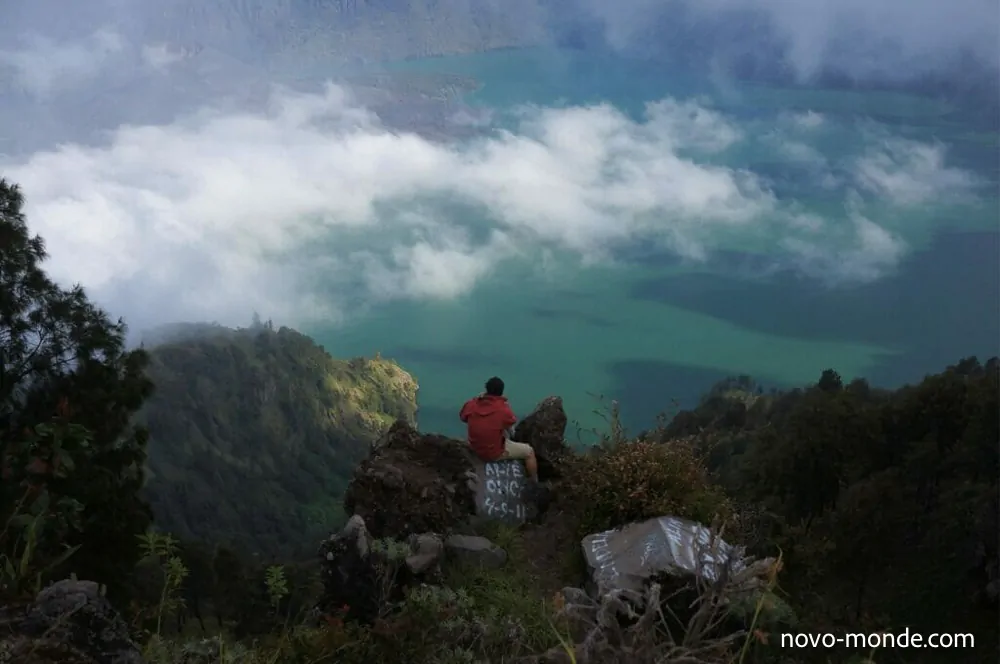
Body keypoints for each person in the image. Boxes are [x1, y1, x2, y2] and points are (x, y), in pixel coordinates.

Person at [459, 376, 538, 482]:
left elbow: (463, 417)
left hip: (474, 447)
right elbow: (511, 422)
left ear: (486, 389)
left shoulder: (471, 404)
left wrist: (477, 399)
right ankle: (534, 481)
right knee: (529, 452)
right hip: (493, 453)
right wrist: (504, 403)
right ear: (501, 391)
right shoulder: (503, 408)